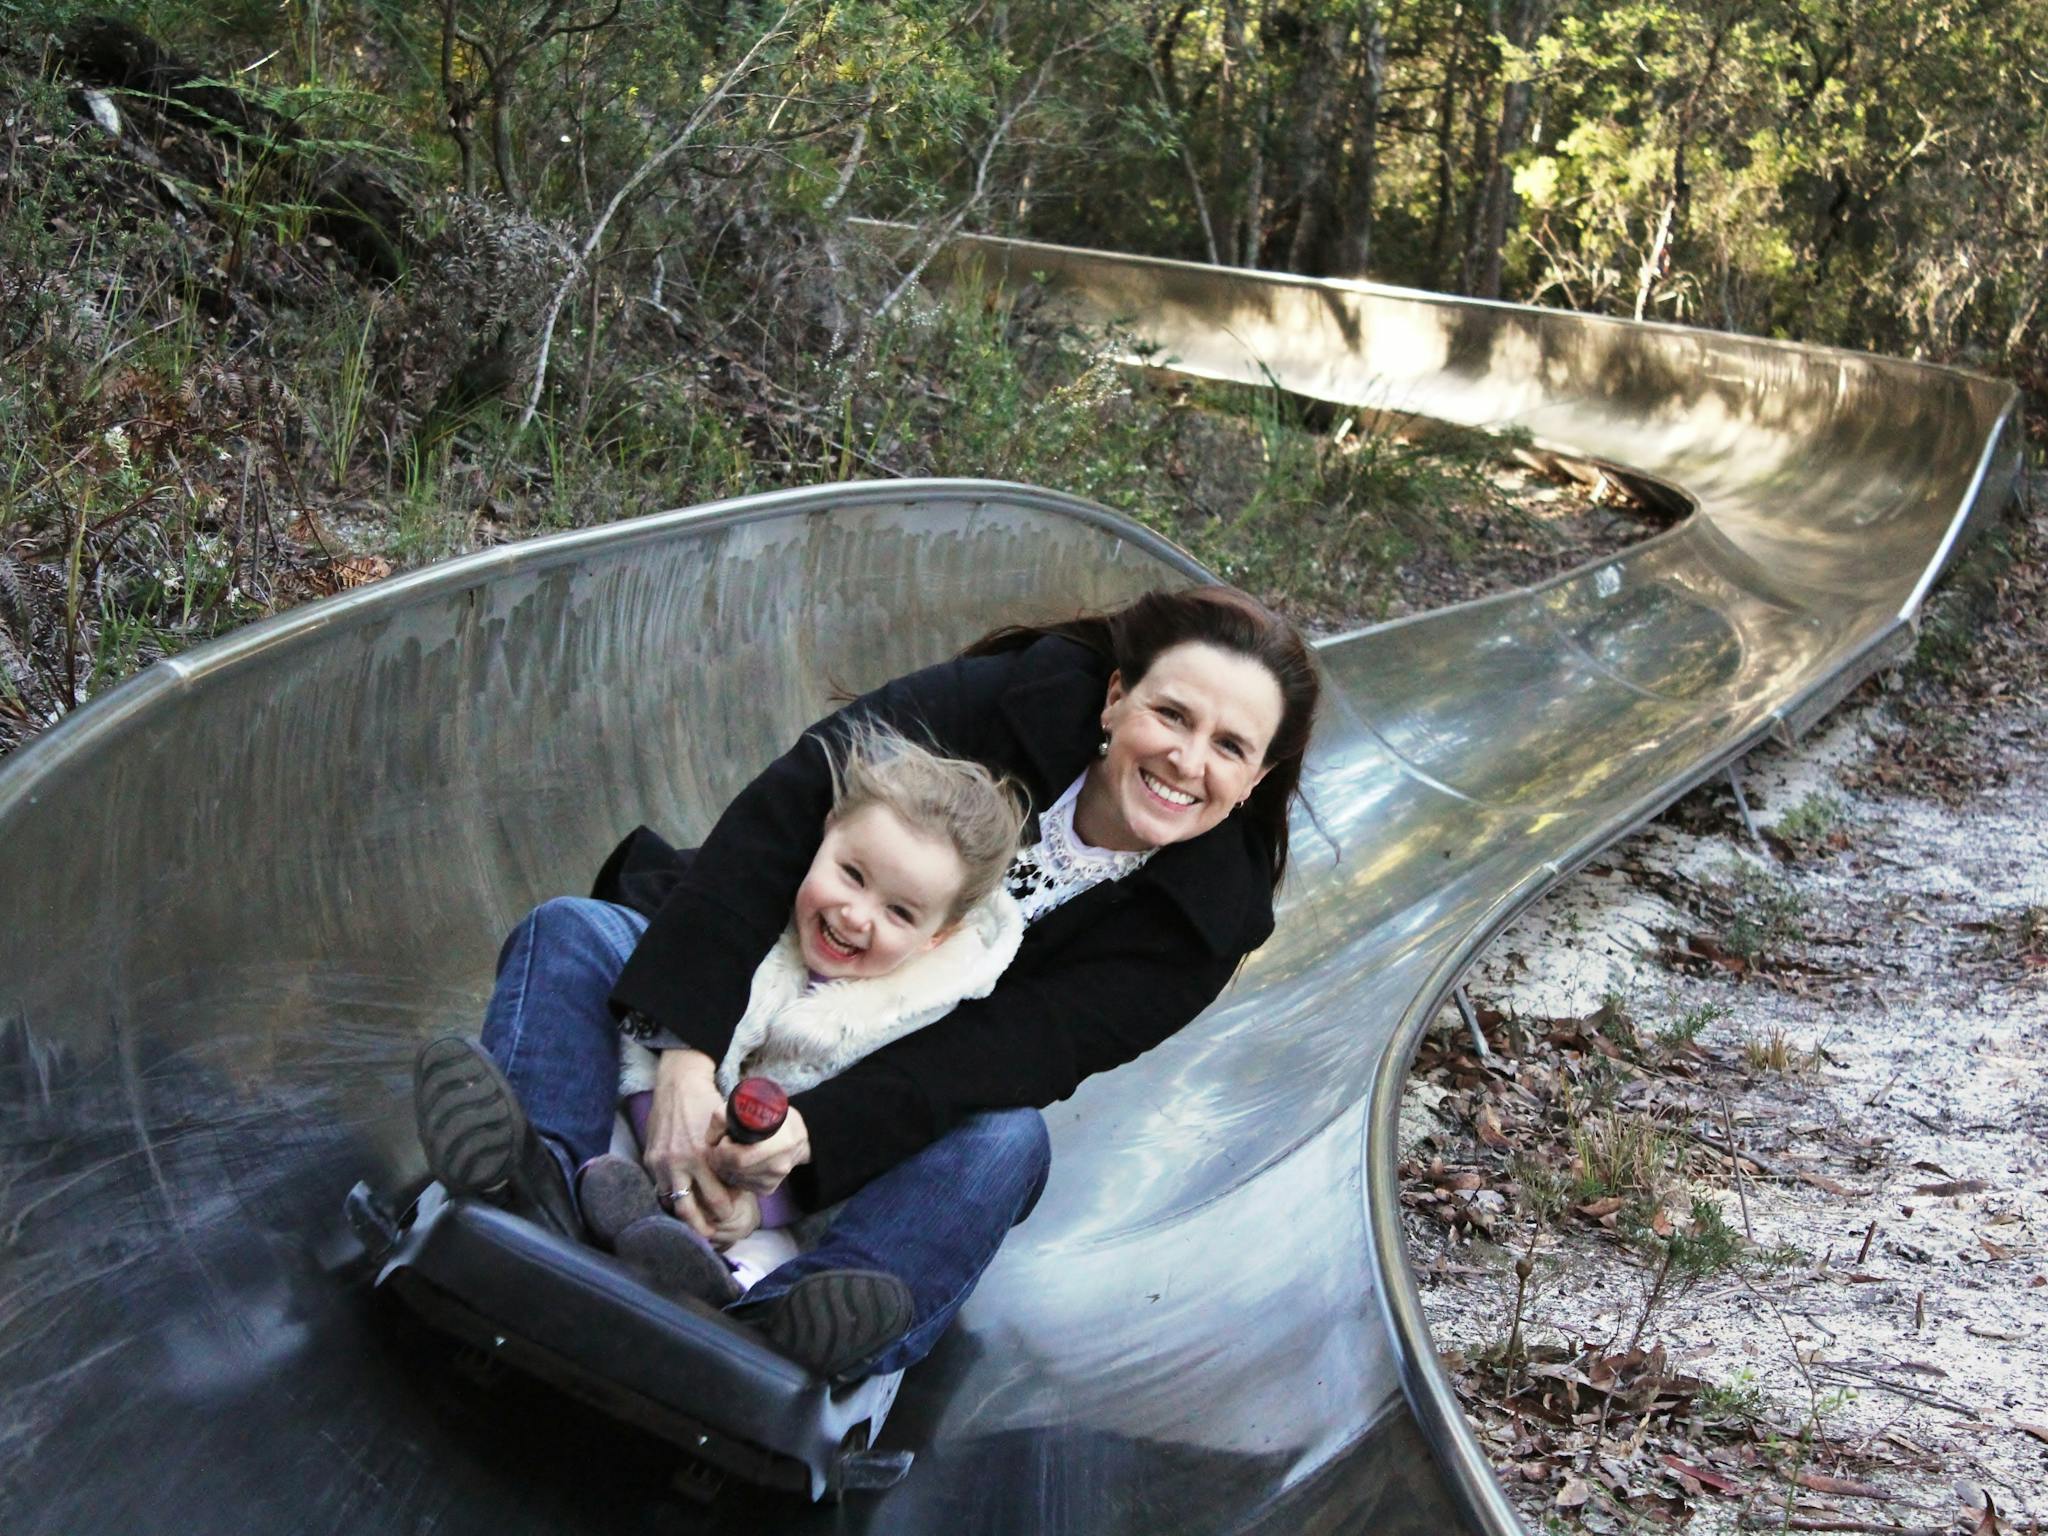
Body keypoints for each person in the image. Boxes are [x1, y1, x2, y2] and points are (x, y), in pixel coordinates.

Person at [412, 583, 1321, 1383]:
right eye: (1173, 716)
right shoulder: (1001, 705)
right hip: (747, 985)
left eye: (1230, 746)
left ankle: (780, 1318)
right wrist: (682, 1046)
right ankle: (542, 1178)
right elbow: (777, 825)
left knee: (1009, 1144)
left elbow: (1003, 1058)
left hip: (868, 1111)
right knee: (573, 931)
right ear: (1118, 697)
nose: (1187, 761)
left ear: (1258, 778)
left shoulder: (1197, 928)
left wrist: (797, 1153)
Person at [571, 722, 1030, 1304]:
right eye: (852, 875)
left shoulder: (924, 1017)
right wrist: (653, 1117)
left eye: (899, 913)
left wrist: (755, 1208)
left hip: (767, 1212)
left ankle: (727, 1296)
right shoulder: (750, 919)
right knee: (603, 1120)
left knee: (775, 1255)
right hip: (651, 1132)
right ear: (824, 835)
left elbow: (874, 1142)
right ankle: (559, 1178)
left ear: (937, 937)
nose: (856, 915)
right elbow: (651, 1019)